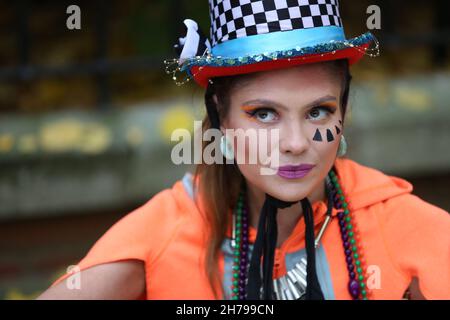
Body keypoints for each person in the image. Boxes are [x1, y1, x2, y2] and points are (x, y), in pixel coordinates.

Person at [38, 0, 449, 300]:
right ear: (221, 116)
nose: (295, 144)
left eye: (319, 111)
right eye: (265, 114)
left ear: (343, 108)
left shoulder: (399, 221)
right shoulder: (170, 230)